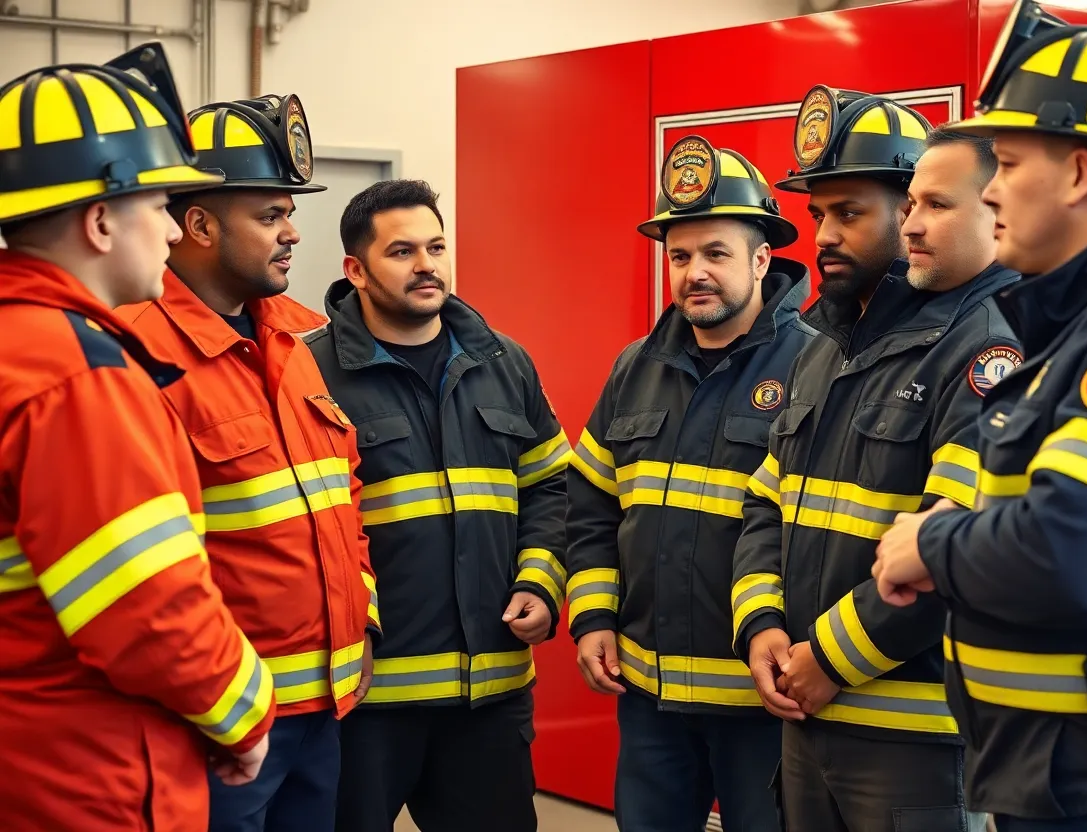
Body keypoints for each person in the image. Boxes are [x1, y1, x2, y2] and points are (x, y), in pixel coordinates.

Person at [872, 4, 1087, 830]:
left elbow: (1075, 555)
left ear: (1078, 173)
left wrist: (931, 542)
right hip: (1078, 771)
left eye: (1011, 161)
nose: (991, 188)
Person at [0, 43, 275, 832]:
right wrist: (246, 715)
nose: (169, 229)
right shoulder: (76, 372)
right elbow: (149, 609)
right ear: (98, 221)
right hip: (89, 777)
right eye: (156, 206)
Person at [731, 85, 1021, 832]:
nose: (824, 234)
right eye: (818, 214)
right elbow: (768, 502)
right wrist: (762, 623)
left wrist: (828, 659)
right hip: (806, 715)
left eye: (849, 213)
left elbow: (956, 548)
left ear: (909, 208)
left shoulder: (988, 347)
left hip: (915, 733)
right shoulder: (823, 344)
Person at [118, 93, 377, 832]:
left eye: (289, 212)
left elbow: (342, 491)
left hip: (323, 709)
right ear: (198, 224)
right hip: (217, 728)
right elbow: (142, 564)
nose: (293, 232)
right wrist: (222, 707)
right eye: (270, 216)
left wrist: (362, 617)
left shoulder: (298, 339)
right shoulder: (137, 352)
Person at [565, 136, 815, 832]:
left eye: (715, 254)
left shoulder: (818, 367)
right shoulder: (635, 367)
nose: (693, 273)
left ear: (763, 259)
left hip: (762, 702)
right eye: (679, 256)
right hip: (649, 698)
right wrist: (592, 617)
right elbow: (588, 506)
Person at [306, 178, 569, 832]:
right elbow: (304, 528)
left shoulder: (506, 362)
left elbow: (552, 489)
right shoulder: (306, 374)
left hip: (490, 698)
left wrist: (541, 577)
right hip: (367, 704)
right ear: (356, 271)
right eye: (402, 252)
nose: (427, 264)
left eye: (437, 246)